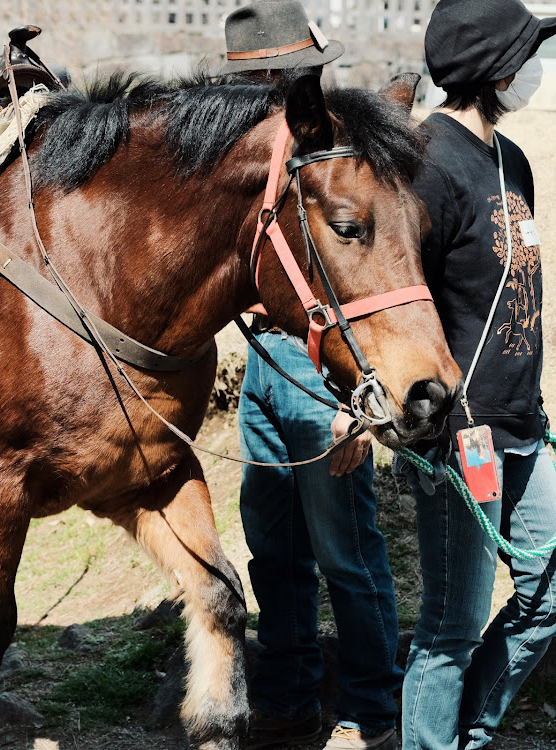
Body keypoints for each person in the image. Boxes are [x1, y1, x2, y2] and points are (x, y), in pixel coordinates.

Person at [221, 2, 403, 748]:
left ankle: (370, 710)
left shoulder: (328, 147)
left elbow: (367, 276)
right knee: (274, 548)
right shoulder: (246, 148)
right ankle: (289, 697)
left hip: (319, 366)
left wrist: (356, 399)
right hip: (263, 361)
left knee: (346, 554)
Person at [401, 1, 556, 748]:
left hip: (523, 425)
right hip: (463, 438)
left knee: (549, 593)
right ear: (496, 69)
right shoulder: (426, 164)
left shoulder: (512, 158)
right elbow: (401, 303)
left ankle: (466, 736)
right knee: (450, 627)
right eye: (525, 57)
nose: (532, 71)